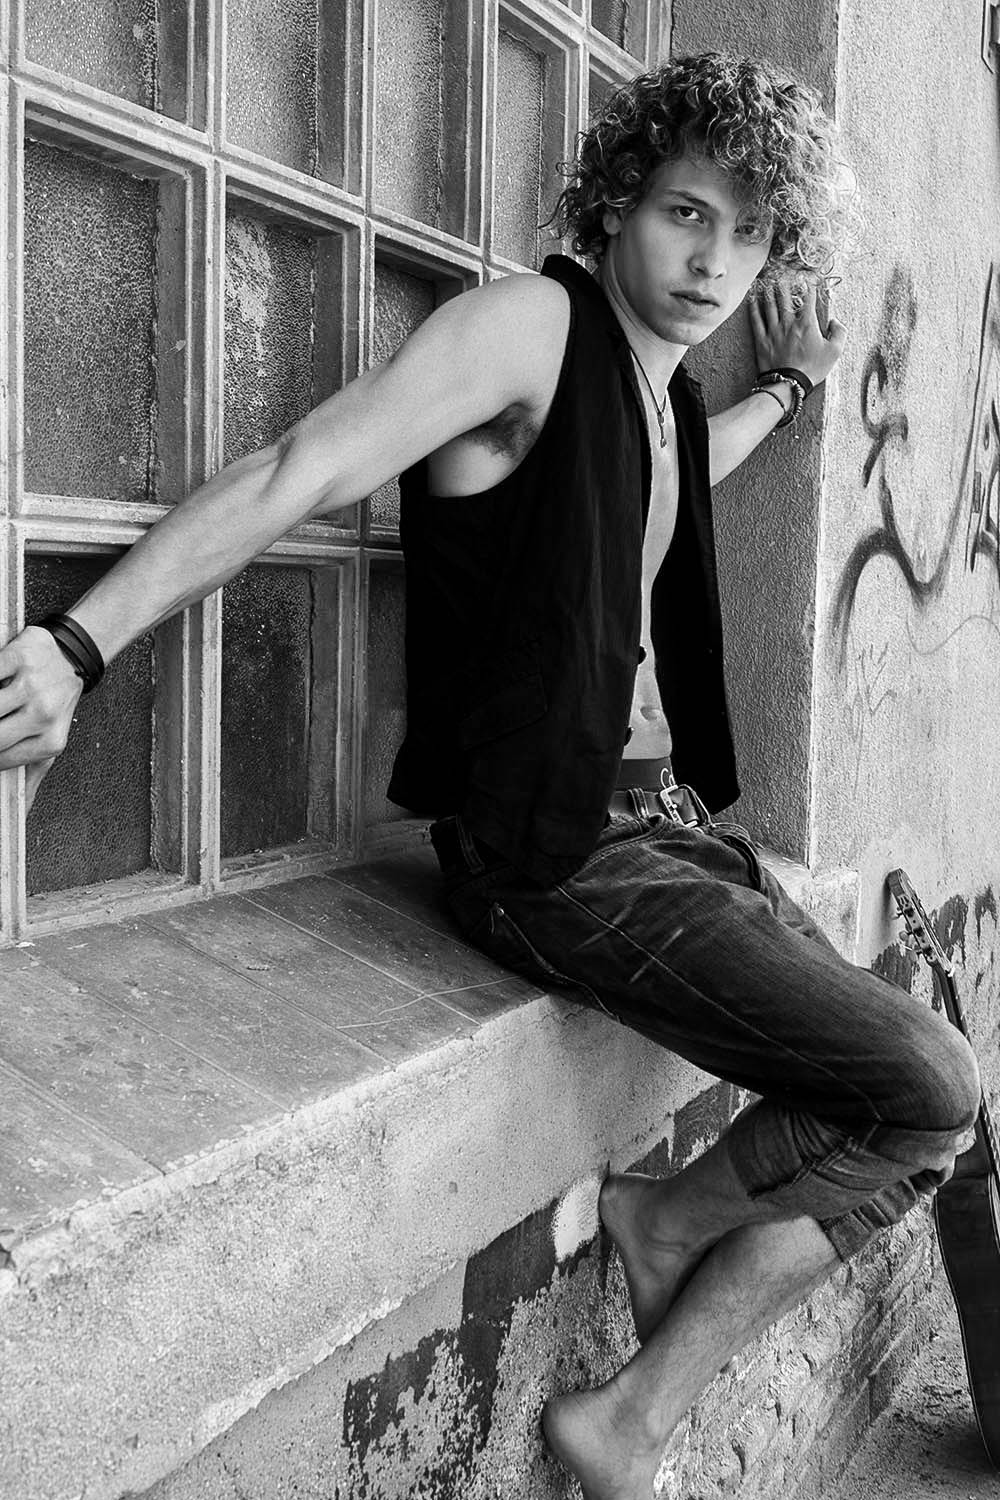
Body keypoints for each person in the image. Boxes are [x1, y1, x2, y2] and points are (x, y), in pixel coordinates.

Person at [0, 53, 980, 1500]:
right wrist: (78, 647)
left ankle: (649, 1295)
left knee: (922, 1108)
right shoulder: (532, 327)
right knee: (929, 1087)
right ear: (617, 201)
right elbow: (295, 468)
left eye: (752, 235)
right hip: (556, 856)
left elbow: (664, 482)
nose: (714, 265)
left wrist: (788, 386)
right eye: (686, 215)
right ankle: (642, 1347)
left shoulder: (652, 391)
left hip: (654, 836)